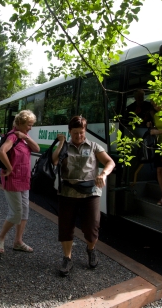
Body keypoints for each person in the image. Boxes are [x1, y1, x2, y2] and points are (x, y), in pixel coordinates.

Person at [52, 116, 115, 277]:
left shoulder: (94, 146)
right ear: (69, 132)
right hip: (67, 191)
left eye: (81, 133)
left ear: (85, 131)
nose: (78, 136)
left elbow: (110, 163)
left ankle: (91, 249)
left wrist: (103, 174)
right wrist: (61, 143)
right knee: (65, 227)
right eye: (74, 133)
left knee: (91, 226)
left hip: (90, 192)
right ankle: (67, 258)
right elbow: (54, 161)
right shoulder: (65, 147)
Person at [0, 110, 40, 254]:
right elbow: (1, 152)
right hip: (13, 179)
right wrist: (9, 168)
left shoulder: (23, 136)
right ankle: (0, 238)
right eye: (29, 125)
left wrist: (25, 137)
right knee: (16, 213)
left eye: (32, 125)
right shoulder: (13, 136)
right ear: (20, 123)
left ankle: (18, 242)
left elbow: (37, 148)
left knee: (25, 211)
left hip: (24, 179)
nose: (30, 128)